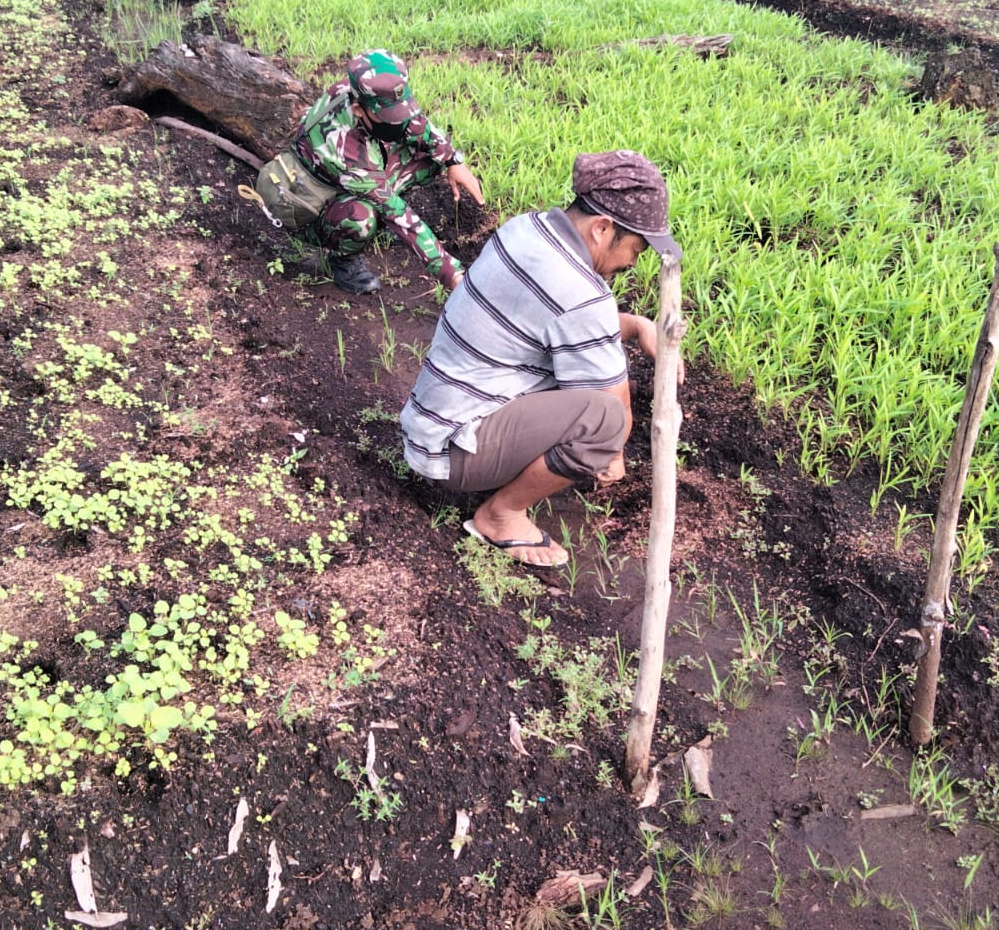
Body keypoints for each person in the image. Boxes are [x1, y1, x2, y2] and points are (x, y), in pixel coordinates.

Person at [399, 150, 681, 568]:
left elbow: (561, 323)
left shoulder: (527, 230)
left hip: (431, 423)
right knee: (605, 420)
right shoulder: (582, 292)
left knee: (595, 396)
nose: (632, 263)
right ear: (603, 229)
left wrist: (637, 326)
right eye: (636, 249)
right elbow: (612, 398)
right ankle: (501, 515)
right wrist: (612, 454)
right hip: (453, 451)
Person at [255, 50, 484, 295]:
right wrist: (453, 275)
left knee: (429, 160)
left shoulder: (361, 89)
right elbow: (396, 211)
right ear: (358, 110)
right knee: (362, 218)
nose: (397, 121)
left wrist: (452, 159)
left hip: (355, 178)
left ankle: (373, 211)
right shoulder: (342, 150)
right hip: (313, 209)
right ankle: (342, 259)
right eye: (388, 116)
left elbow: (414, 124)